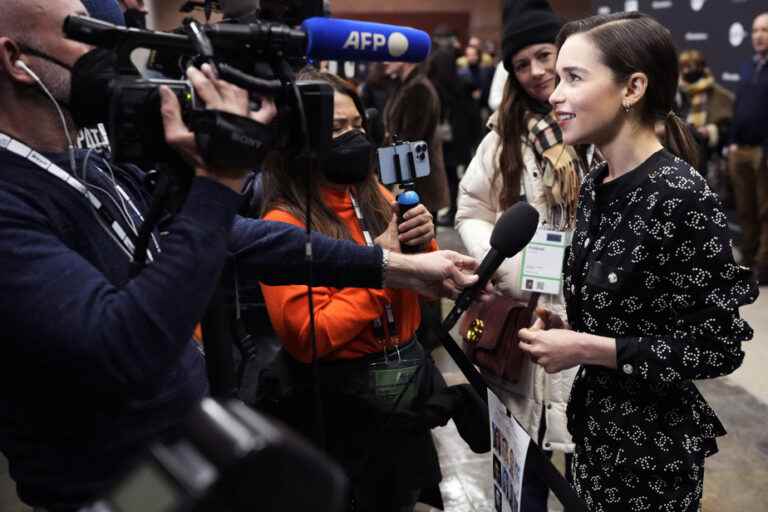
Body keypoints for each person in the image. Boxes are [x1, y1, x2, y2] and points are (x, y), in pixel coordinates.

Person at [0, 1, 480, 510]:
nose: (109, 57)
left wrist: (393, 266)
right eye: (88, 40)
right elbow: (121, 346)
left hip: (182, 460)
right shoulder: (11, 199)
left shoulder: (85, 163)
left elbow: (231, 236)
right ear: (16, 59)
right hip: (110, 492)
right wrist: (218, 181)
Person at [520, 11, 758, 511]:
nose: (554, 94)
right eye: (557, 78)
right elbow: (636, 313)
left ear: (632, 88)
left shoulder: (681, 196)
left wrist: (587, 345)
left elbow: (716, 349)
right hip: (594, 438)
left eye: (574, 78)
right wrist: (575, 327)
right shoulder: (597, 182)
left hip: (649, 457)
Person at [259, 69, 442, 512]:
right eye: (336, 128)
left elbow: (430, 294)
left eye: (358, 125)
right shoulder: (282, 225)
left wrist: (424, 242)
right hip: (337, 414)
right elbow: (310, 336)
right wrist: (380, 268)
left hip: (403, 400)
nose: (352, 137)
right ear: (300, 141)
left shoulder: (377, 194)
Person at [455, 1, 586, 509]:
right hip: (525, 323)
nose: (535, 73)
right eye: (521, 64)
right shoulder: (504, 135)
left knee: (587, 470)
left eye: (544, 55)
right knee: (523, 469)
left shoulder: (599, 126)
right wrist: (507, 264)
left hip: (589, 324)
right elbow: (470, 208)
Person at [728, 11, 768, 283]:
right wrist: (730, 141)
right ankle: (749, 258)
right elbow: (738, 108)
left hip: (763, 152)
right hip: (739, 150)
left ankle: (763, 267)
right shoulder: (747, 66)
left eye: (765, 30)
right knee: (744, 209)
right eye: (755, 30)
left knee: (766, 211)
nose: (758, 36)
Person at [678, 49, 734, 173]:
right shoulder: (677, 94)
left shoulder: (720, 95)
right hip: (680, 159)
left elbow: (729, 127)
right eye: (684, 67)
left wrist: (711, 131)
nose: (687, 71)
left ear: (702, 68)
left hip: (710, 159)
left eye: (692, 67)